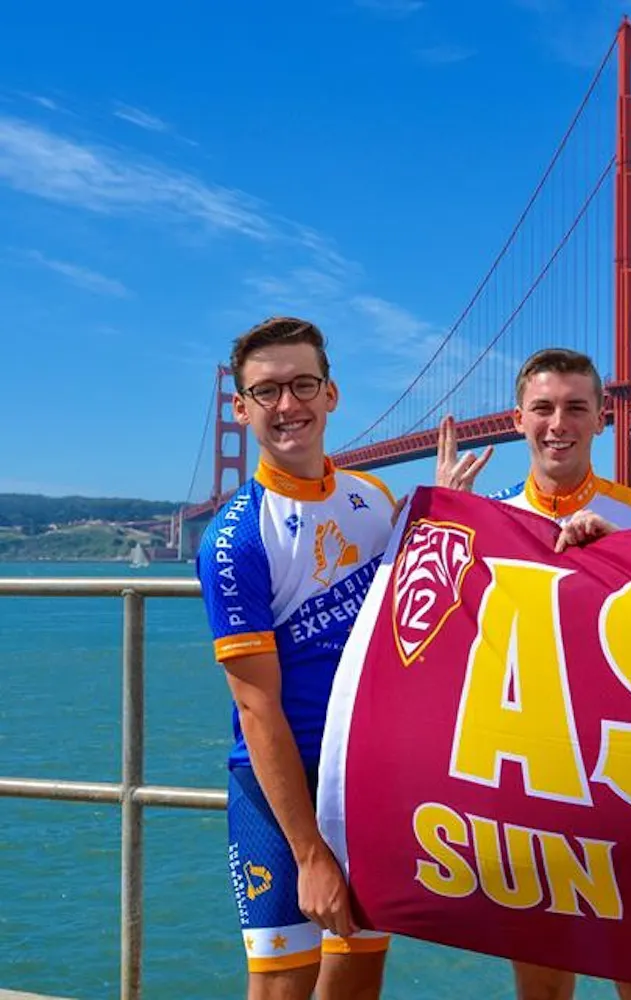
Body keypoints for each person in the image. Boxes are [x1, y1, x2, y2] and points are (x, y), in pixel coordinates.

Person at [438, 345, 631, 1000]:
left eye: (576, 407)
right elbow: (418, 633)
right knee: (541, 987)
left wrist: (625, 558)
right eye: (542, 408)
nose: (558, 423)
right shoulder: (474, 518)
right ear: (517, 419)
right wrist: (435, 522)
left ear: (603, 418)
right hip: (528, 776)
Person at [196, 317, 400, 999]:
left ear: (332, 393)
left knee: (356, 981)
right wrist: (310, 851)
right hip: (281, 790)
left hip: (366, 780)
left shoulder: (374, 501)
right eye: (267, 391)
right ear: (240, 407)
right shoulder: (233, 540)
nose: (288, 405)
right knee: (282, 988)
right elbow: (255, 708)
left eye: (303, 384)